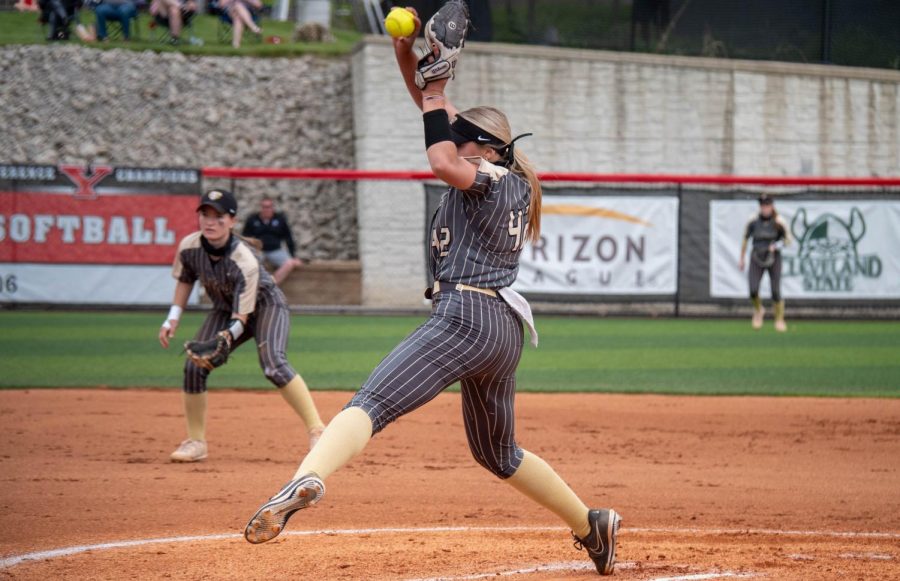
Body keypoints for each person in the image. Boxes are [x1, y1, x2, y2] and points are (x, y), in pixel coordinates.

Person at [242, 6, 622, 576]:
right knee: (498, 454)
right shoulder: (497, 175)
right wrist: (411, 67)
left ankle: (304, 479)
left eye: (468, 140)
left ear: (490, 148)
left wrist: (436, 85)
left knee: (370, 403)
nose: (455, 145)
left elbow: (443, 156)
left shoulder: (493, 178)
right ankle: (590, 525)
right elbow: (439, 130)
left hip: (466, 316)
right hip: (501, 331)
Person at [158, 189, 325, 462]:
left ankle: (318, 430)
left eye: (218, 216)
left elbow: (242, 318)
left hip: (266, 305)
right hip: (227, 309)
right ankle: (196, 442)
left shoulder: (244, 259)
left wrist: (224, 338)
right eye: (205, 214)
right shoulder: (189, 247)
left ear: (232, 221)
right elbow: (185, 279)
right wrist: (172, 318)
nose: (210, 222)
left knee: (274, 364)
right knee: (193, 366)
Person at [739, 194, 791, 332]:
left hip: (773, 257)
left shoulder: (779, 221)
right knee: (753, 289)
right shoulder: (753, 221)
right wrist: (742, 258)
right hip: (757, 255)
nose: (765, 208)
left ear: (772, 206)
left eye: (767, 205)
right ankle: (758, 310)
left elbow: (788, 240)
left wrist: (776, 246)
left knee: (775, 290)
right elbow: (745, 239)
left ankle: (779, 319)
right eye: (762, 205)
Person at [242, 197, 303, 285]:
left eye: (269, 207)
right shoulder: (252, 219)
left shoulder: (280, 219)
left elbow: (288, 238)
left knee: (290, 263)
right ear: (260, 208)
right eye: (264, 207)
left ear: (272, 208)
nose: (267, 209)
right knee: (249, 265)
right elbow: (245, 237)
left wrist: (293, 255)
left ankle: (271, 284)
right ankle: (254, 286)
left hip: (275, 250)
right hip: (259, 251)